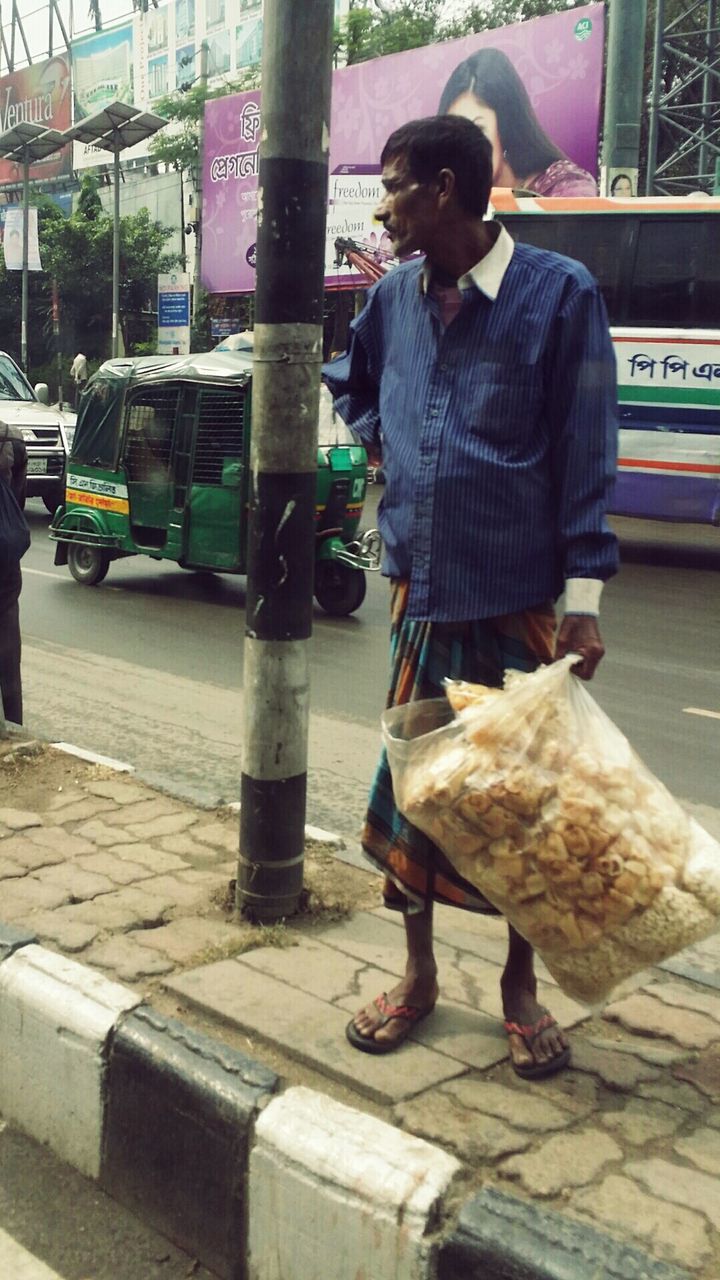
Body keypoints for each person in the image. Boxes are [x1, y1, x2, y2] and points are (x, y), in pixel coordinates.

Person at [322, 116, 618, 1079]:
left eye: (396, 186)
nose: (384, 207)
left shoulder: (558, 296)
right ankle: (417, 979)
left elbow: (586, 456)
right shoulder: (391, 303)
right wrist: (385, 447)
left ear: (445, 190)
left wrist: (584, 603)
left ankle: (517, 991)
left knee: (523, 815)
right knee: (418, 806)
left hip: (522, 603)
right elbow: (354, 384)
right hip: (425, 594)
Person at [438, 48, 597, 197]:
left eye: (478, 130)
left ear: (506, 129)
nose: (464, 149)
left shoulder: (563, 188)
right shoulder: (448, 198)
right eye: (454, 135)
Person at [0, 423, 28, 725]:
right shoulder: (12, 437)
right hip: (7, 565)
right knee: (8, 650)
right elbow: (18, 497)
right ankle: (14, 723)